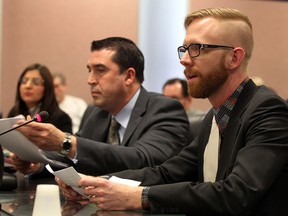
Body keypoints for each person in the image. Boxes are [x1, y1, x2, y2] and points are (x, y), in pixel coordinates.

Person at [57, 8, 288, 215]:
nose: (185, 60)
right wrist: (98, 184)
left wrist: (139, 197)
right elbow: (167, 173)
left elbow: (236, 194)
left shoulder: (267, 111)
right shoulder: (214, 117)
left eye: (197, 48)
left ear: (234, 57)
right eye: (185, 49)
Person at [11, 37, 190, 177]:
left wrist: (64, 142)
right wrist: (38, 163)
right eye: (89, 70)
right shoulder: (97, 112)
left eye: (100, 70)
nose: (90, 80)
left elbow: (143, 159)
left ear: (129, 76)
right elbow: (75, 156)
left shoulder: (165, 109)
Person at [4, 63, 72, 167]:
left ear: (47, 88)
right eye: (24, 81)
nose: (28, 86)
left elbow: (65, 158)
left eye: (36, 82)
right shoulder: (15, 111)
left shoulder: (62, 118)